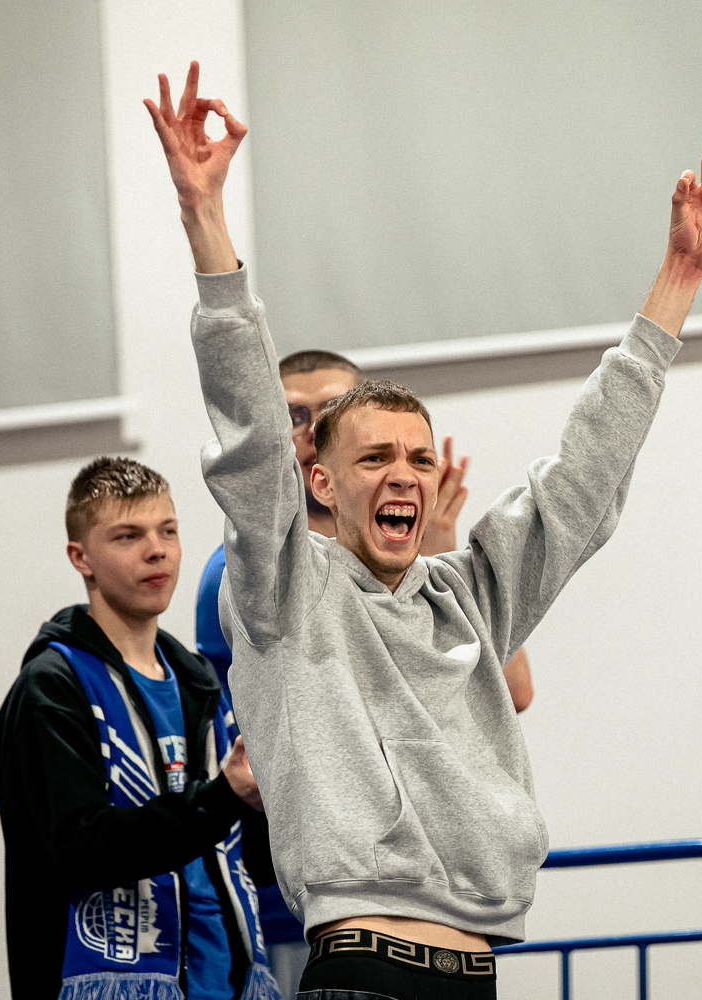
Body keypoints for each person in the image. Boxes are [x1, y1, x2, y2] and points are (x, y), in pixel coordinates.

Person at [147, 60, 702, 998]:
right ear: (319, 478)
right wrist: (204, 214)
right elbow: (249, 434)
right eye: (373, 458)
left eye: (418, 457)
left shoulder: (468, 593)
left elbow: (583, 477)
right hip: (359, 968)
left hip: (476, 971)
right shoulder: (284, 589)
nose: (403, 472)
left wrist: (677, 278)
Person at [194, 352, 534, 997]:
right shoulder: (256, 571)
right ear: (322, 473)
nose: (306, 430)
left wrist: (440, 552)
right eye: (293, 415)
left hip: (438, 922)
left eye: (327, 411)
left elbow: (512, 692)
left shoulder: (427, 570)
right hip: (300, 883)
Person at [0, 457, 281, 1000]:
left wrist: (268, 801)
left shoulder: (201, 684)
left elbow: (257, 867)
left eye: (167, 531)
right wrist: (225, 796)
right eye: (128, 536)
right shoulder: (51, 688)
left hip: (229, 982)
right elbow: (82, 847)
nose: (157, 550)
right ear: (81, 557)